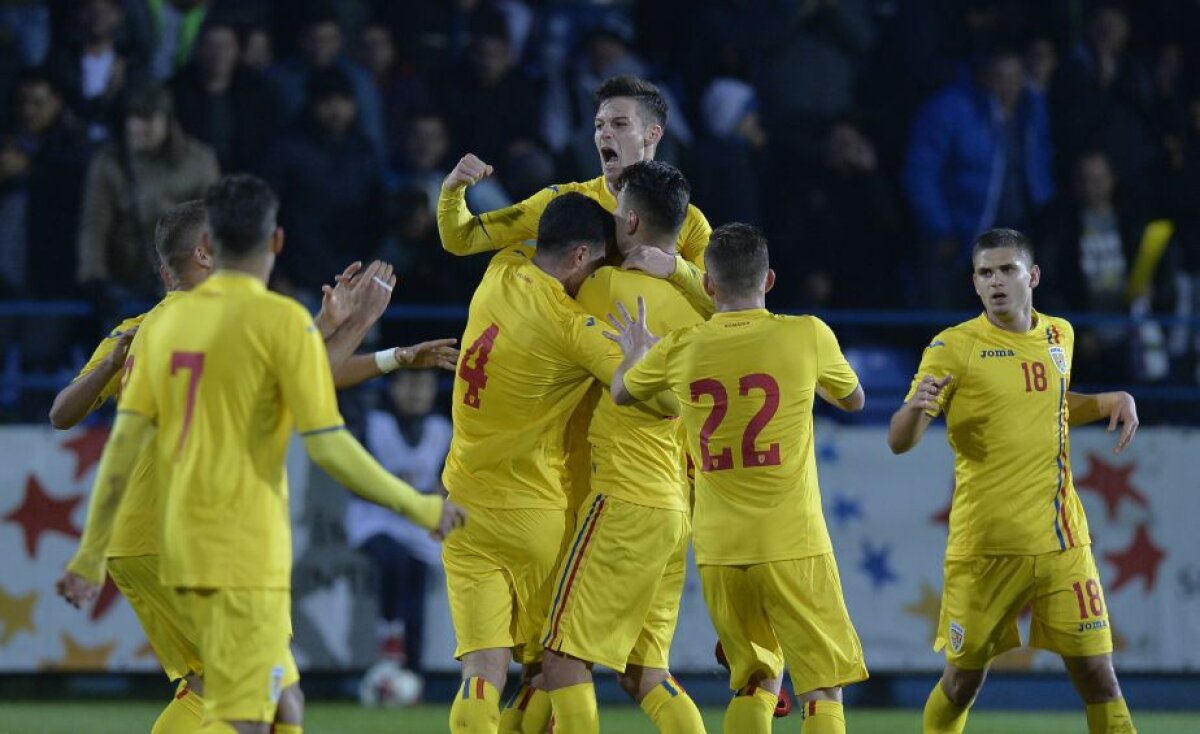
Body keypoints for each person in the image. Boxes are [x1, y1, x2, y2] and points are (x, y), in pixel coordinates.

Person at [55, 177, 466, 734]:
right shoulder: (262, 318)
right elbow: (313, 413)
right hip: (229, 540)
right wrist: (418, 507)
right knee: (255, 704)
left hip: (144, 538)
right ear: (262, 243)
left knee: (249, 691)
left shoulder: (155, 325)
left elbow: (125, 432)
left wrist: (90, 551)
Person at [607, 223, 868, 734]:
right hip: (793, 542)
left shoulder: (680, 347)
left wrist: (637, 349)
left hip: (720, 550)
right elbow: (854, 400)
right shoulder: (807, 334)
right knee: (821, 688)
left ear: (708, 285)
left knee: (757, 680)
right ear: (769, 279)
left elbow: (621, 393)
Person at [887, 228, 1140, 734]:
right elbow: (900, 439)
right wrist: (915, 409)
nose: (996, 282)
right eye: (985, 273)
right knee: (962, 684)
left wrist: (1107, 401)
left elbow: (1045, 405)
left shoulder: (1059, 335)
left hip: (1063, 541)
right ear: (975, 284)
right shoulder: (952, 348)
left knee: (1099, 676)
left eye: (1007, 270)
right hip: (986, 548)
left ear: (1033, 276)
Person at [440, 193, 625, 734]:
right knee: (551, 668)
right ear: (579, 257)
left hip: (462, 508)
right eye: (596, 264)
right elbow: (636, 385)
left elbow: (476, 235)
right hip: (534, 514)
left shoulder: (500, 269)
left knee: (480, 673)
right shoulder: (569, 327)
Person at [536, 161, 706, 734]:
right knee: (644, 674)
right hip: (674, 508)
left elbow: (545, 287)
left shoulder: (603, 286)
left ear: (629, 220)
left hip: (623, 500)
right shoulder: (697, 310)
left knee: (560, 658)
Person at [438, 75, 714, 313]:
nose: (604, 134)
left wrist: (673, 267)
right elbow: (463, 239)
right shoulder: (562, 203)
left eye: (619, 124)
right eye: (599, 125)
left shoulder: (688, 220)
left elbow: (723, 304)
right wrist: (452, 190)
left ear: (652, 134)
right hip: (575, 367)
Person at [903, 47, 1055, 308]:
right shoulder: (950, 109)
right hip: (961, 238)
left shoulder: (1032, 110)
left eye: (1016, 78)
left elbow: (1041, 165)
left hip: (1020, 235)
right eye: (1001, 77)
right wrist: (940, 229)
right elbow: (920, 173)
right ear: (984, 76)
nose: (1009, 86)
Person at [346, 368, 452, 672]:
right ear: (392, 388)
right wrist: (394, 486)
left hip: (418, 523)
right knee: (395, 560)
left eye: (424, 384)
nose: (415, 392)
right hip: (375, 519)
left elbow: (450, 480)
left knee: (417, 586)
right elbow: (354, 478)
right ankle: (389, 636)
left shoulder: (442, 427)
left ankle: (412, 673)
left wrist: (441, 489)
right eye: (407, 384)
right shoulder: (374, 424)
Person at [75, 83, 219, 300]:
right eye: (134, 118)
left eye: (148, 119)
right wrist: (94, 277)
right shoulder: (109, 163)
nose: (139, 127)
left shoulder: (199, 162)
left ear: (167, 121)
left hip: (185, 284)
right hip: (123, 283)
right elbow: (95, 225)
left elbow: (213, 226)